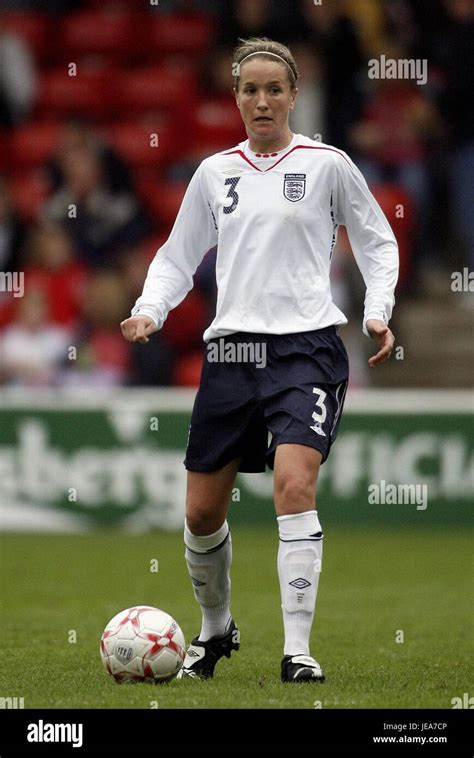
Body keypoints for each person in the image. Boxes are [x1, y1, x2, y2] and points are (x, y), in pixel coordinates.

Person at [121, 37, 398, 684]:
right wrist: (151, 308)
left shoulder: (327, 164)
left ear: (295, 95)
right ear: (236, 96)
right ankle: (216, 630)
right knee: (199, 513)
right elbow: (176, 255)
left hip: (306, 348)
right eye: (251, 88)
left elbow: (376, 240)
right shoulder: (215, 173)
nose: (263, 99)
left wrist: (377, 310)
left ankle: (297, 650)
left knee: (294, 485)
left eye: (275, 88)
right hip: (233, 351)